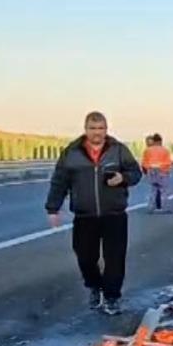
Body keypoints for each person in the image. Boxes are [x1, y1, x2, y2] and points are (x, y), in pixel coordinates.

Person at [46, 111, 143, 314]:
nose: (97, 133)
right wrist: (53, 208)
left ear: (106, 129)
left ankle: (112, 297)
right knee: (85, 257)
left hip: (114, 214)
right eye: (92, 128)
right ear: (85, 129)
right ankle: (94, 286)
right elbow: (59, 181)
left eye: (100, 128)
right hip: (85, 216)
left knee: (115, 258)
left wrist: (122, 178)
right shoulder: (72, 152)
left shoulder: (118, 150)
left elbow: (135, 172)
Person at [140, 133, 172, 213]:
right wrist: (163, 168)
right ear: (160, 141)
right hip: (162, 172)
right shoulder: (165, 150)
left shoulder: (147, 150)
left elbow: (144, 163)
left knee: (153, 190)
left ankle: (151, 208)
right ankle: (164, 208)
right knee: (163, 191)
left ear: (153, 141)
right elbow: (168, 163)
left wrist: (149, 168)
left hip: (151, 171)